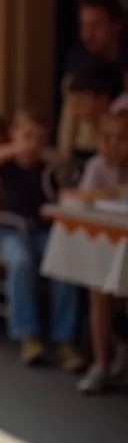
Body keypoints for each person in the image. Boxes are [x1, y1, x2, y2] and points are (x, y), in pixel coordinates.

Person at [0, 110, 84, 372]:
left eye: (39, 138)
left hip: (42, 232)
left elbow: (68, 181)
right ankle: (28, 335)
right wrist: (17, 148)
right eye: (27, 136)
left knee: (63, 264)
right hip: (10, 232)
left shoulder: (47, 168)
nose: (33, 143)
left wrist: (54, 159)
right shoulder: (7, 164)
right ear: (14, 135)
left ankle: (65, 339)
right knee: (21, 262)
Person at [72, 112, 128, 393]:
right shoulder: (96, 166)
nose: (113, 145)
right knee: (98, 292)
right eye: (107, 138)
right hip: (106, 246)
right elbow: (84, 202)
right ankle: (100, 363)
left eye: (122, 139)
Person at [59, 0, 127, 159]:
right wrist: (64, 155)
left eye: (96, 26)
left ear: (117, 24)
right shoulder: (78, 59)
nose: (87, 34)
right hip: (86, 148)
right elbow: (69, 115)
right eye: (84, 26)